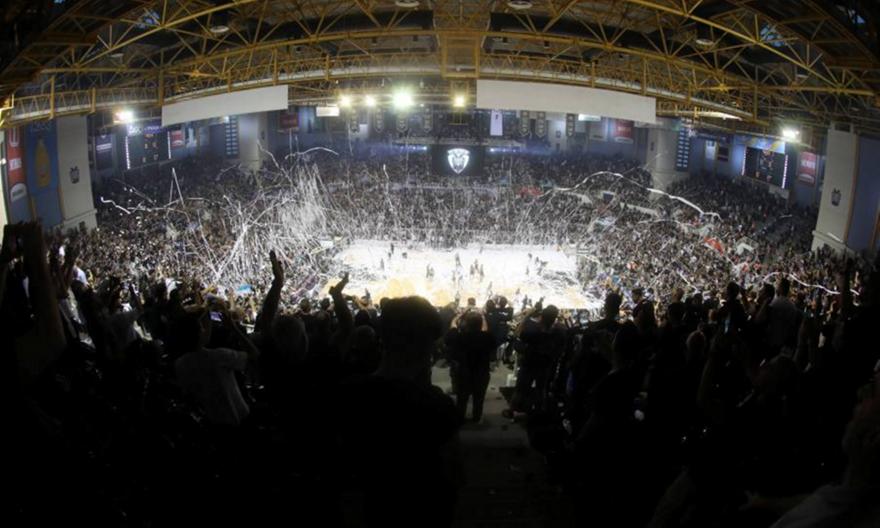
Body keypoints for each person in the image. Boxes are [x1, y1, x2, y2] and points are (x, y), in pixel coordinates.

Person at [173, 306, 259, 426]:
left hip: (212, 424)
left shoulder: (179, 364)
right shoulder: (218, 357)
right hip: (238, 419)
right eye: (202, 328)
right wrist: (234, 328)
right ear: (199, 334)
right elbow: (254, 355)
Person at [446, 310, 496, 422]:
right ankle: (476, 418)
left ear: (466, 324)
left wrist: (457, 317)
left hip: (464, 372)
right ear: (480, 324)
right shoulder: (487, 337)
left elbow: (453, 327)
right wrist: (482, 317)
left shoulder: (459, 337)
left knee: (461, 399)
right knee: (479, 398)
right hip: (481, 373)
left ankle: (460, 419)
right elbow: (485, 330)